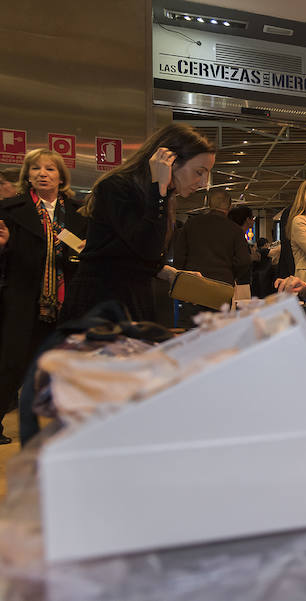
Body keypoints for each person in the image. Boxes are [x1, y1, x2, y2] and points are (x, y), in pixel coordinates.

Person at [61, 123, 215, 323]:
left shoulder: (162, 196)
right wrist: (158, 189)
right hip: (100, 305)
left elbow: (132, 255)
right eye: (199, 172)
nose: (204, 183)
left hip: (131, 301)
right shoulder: (117, 188)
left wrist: (171, 274)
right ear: (171, 163)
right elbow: (146, 247)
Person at [0, 150, 87, 443]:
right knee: (11, 364)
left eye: (49, 168)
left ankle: (66, 428)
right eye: (35, 168)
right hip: (24, 299)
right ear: (28, 175)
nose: (42, 173)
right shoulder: (10, 209)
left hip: (67, 301)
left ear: (61, 177)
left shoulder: (80, 211)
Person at [172, 189, 251, 328]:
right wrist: (231, 275)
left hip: (193, 288)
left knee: (192, 332)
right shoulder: (234, 230)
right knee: (218, 333)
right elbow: (244, 261)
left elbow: (179, 256)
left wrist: (184, 276)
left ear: (208, 204)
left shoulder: (191, 224)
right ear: (229, 206)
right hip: (221, 288)